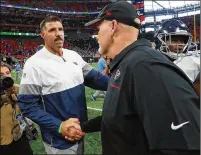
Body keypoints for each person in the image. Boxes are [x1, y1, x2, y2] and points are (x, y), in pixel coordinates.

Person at [82, 1, 199, 155]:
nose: (97, 35)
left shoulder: (146, 66)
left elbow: (185, 143)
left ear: (113, 26)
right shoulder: (129, 63)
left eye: (99, 27)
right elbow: (122, 117)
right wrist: (85, 127)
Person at [18, 15, 109, 155]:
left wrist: (120, 84)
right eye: (52, 30)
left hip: (79, 130)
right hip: (58, 138)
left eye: (60, 29)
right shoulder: (33, 64)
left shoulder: (73, 55)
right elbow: (27, 106)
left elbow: (95, 78)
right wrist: (60, 126)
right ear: (43, 35)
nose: (58, 33)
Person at [0, 62, 33, 155]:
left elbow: (31, 92)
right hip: (4, 142)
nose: (5, 77)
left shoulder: (16, 88)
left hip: (19, 136)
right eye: (1, 75)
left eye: (7, 73)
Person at [155, 19, 200, 83]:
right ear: (161, 41)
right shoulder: (153, 63)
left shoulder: (190, 61)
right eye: (174, 40)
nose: (180, 44)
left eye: (182, 41)